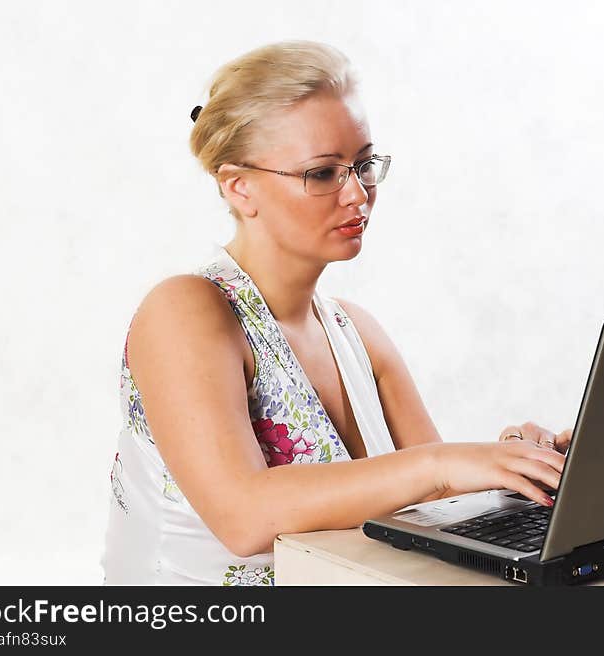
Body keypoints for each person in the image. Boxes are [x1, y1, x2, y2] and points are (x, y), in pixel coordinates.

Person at [100, 40, 572, 585]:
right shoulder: (185, 312)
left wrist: (511, 465)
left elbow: (431, 504)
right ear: (239, 186)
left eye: (364, 163)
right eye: (323, 173)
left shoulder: (357, 332)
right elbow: (244, 517)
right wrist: (447, 465)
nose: (358, 193)